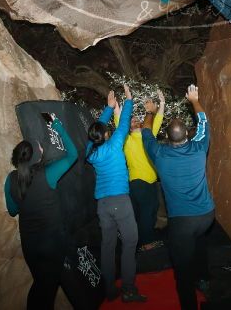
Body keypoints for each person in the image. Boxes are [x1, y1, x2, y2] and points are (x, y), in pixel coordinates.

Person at [141, 85, 215, 310]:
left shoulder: (160, 154)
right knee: (199, 241)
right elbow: (204, 121)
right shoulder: (199, 147)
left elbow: (145, 132)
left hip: (182, 222)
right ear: (187, 134)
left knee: (182, 274)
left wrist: (150, 112)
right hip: (206, 216)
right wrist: (194, 100)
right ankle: (204, 279)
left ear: (166, 137)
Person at [4, 113, 78, 310]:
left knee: (41, 284)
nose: (43, 149)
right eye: (40, 148)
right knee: (45, 290)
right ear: (37, 155)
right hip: (52, 244)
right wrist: (57, 126)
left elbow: (12, 210)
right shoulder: (48, 174)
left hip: (30, 245)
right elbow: (73, 155)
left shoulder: (10, 179)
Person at [86, 86, 147, 303]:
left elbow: (96, 134)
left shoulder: (91, 152)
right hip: (120, 202)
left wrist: (109, 108)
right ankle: (129, 289)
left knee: (108, 246)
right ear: (104, 134)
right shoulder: (114, 145)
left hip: (102, 205)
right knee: (131, 242)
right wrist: (128, 101)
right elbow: (124, 124)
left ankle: (110, 288)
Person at [114, 90, 166, 250]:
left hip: (149, 182)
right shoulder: (127, 140)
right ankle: (146, 244)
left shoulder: (147, 135)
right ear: (128, 128)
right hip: (138, 182)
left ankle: (136, 242)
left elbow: (157, 119)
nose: (136, 121)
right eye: (133, 120)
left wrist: (162, 103)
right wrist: (117, 107)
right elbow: (119, 123)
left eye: (137, 119)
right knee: (147, 213)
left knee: (146, 212)